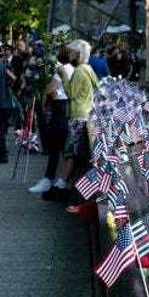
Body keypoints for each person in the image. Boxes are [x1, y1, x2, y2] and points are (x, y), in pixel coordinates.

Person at [30, 45, 72, 196]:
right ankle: (55, 179)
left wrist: (49, 90)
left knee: (55, 145)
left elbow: (49, 89)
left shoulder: (62, 69)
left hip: (60, 107)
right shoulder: (73, 69)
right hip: (66, 106)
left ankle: (49, 178)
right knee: (61, 146)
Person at [61, 39, 99, 192]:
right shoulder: (88, 68)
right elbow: (97, 86)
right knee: (80, 151)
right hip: (86, 113)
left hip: (77, 114)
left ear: (78, 54)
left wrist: (63, 75)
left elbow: (71, 94)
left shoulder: (78, 71)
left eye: (71, 52)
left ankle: (64, 183)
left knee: (73, 151)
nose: (69, 54)